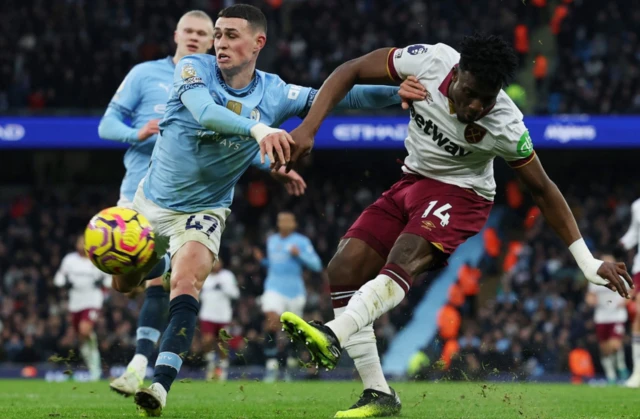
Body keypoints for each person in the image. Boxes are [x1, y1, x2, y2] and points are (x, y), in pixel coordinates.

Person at [279, 34, 633, 418]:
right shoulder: (429, 61)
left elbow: (544, 191)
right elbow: (350, 71)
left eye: (488, 97)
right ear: (458, 71)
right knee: (342, 269)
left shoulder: (506, 125)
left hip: (463, 195)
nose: (477, 105)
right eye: (471, 92)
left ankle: (332, 334)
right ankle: (379, 395)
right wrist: (309, 128)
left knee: (403, 257)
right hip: (411, 182)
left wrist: (587, 261)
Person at [105, 4, 423, 416]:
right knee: (124, 283)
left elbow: (331, 97)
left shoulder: (274, 92)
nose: (220, 43)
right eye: (217, 35)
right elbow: (205, 112)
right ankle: (154, 265)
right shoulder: (192, 70)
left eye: (231, 35)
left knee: (186, 284)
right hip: (152, 203)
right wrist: (259, 128)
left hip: (205, 210)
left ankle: (160, 387)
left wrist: (393, 93)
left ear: (258, 43)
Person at [98, 10, 308, 397]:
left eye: (205, 32)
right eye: (193, 32)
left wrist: (270, 165)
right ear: (176, 34)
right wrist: (135, 132)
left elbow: (231, 144)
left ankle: (145, 371)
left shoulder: (234, 80)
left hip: (199, 203)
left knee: (179, 280)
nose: (200, 38)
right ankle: (144, 340)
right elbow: (105, 126)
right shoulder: (152, 75)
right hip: (143, 190)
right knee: (126, 284)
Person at [253, 211, 322, 382]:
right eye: (280, 220)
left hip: (295, 292)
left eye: (287, 220)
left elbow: (317, 265)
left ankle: (285, 364)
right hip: (273, 288)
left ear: (294, 224)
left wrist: (300, 255)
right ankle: (271, 364)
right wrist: (263, 261)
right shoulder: (272, 241)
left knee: (292, 332)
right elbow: (275, 265)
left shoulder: (302, 242)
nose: (283, 223)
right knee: (271, 320)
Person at [54, 235, 110, 381]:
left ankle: (95, 369)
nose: (82, 245)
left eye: (85, 242)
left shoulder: (97, 260)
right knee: (82, 337)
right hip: (75, 302)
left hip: (92, 300)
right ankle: (94, 368)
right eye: (80, 242)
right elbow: (58, 277)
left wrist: (102, 282)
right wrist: (64, 283)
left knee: (85, 330)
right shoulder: (69, 260)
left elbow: (109, 279)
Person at [585, 254, 629, 384]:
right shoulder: (595, 277)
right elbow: (590, 295)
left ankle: (621, 367)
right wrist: (590, 300)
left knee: (615, 345)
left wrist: (625, 301)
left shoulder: (621, 276)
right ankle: (611, 375)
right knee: (604, 348)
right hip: (601, 317)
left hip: (617, 315)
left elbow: (630, 292)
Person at [199, 258, 239, 381]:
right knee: (207, 340)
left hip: (223, 316)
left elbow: (236, 294)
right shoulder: (203, 275)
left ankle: (222, 367)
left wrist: (224, 288)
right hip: (207, 314)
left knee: (223, 343)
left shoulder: (227, 276)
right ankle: (211, 363)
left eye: (217, 261)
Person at [620, 197, 640, 387]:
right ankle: (637, 372)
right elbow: (634, 233)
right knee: (638, 314)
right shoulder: (637, 205)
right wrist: (622, 243)